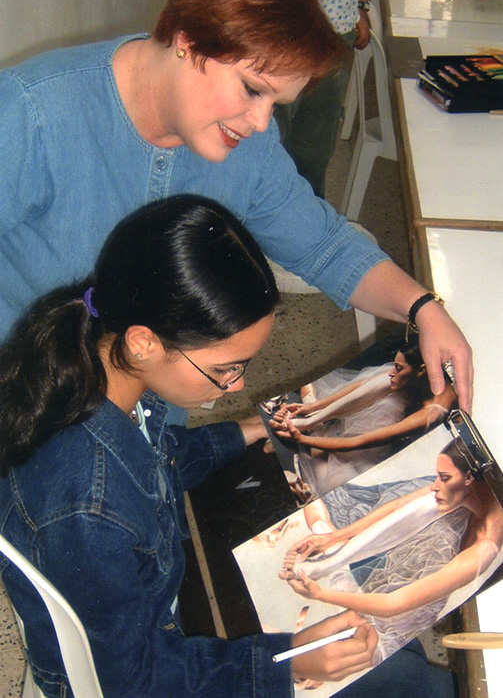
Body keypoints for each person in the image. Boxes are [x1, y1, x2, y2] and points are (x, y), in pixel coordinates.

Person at [0, 0, 473, 416]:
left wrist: (423, 308)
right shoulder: (35, 114)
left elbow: (323, 245)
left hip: (151, 402)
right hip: (29, 403)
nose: (261, 124)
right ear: (187, 39)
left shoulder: (246, 147)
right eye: (252, 89)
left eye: (276, 104)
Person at [0, 195, 378, 698]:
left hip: (141, 608)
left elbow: (159, 458)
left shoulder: (99, 368)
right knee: (404, 674)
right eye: (225, 368)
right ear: (144, 342)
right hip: (143, 664)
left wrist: (248, 428)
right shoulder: (89, 508)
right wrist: (283, 664)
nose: (236, 386)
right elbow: (131, 681)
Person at [280, 440, 503, 665]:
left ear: (469, 479)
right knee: (329, 517)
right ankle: (329, 555)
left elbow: (393, 604)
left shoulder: (483, 548)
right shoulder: (459, 491)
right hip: (390, 565)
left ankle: (328, 550)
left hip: (396, 618)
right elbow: (400, 504)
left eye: (444, 478)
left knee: (352, 650)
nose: (436, 485)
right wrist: (335, 537)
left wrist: (319, 594)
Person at [200, 0, 371, 199]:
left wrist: (361, 6)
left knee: (316, 142)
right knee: (263, 136)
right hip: (275, 31)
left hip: (336, 27)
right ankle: (248, 217)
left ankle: (306, 217)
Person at [269, 338, 457, 495]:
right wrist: (312, 408)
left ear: (422, 370)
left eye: (399, 368)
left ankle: (313, 422)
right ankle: (311, 419)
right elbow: (362, 386)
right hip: (405, 398)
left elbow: (359, 442)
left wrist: (304, 439)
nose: (393, 371)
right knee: (387, 379)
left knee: (329, 486)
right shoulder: (410, 375)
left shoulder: (431, 413)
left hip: (380, 444)